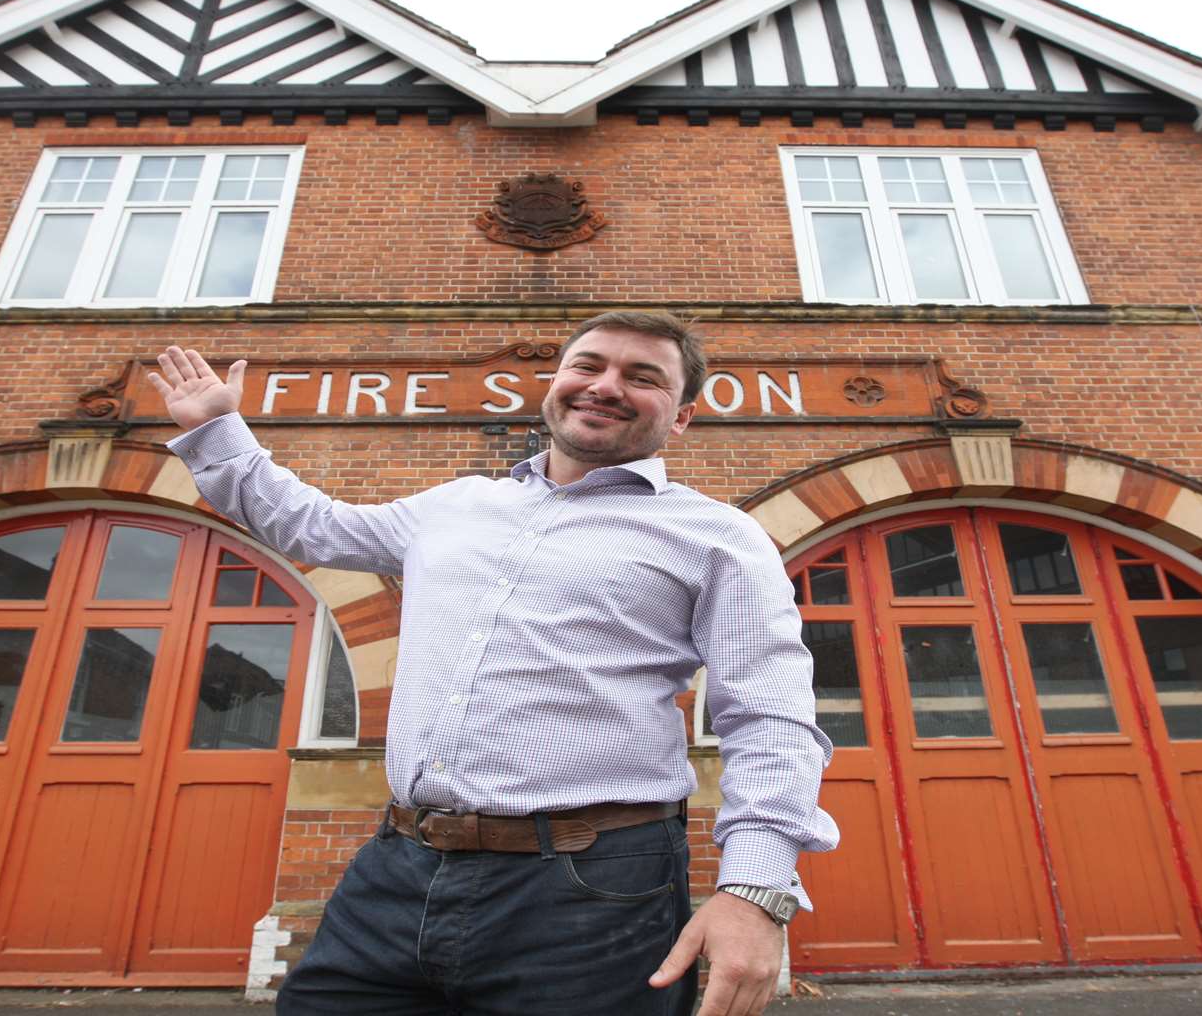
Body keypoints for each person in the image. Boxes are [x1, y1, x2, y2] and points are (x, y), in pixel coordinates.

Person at [152, 311, 837, 1016]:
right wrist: (216, 432)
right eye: (589, 365)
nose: (605, 386)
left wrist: (755, 893)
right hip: (398, 868)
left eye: (642, 377)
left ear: (683, 416)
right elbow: (311, 525)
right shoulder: (455, 506)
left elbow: (772, 719)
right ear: (556, 383)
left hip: (592, 887)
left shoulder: (719, 536)